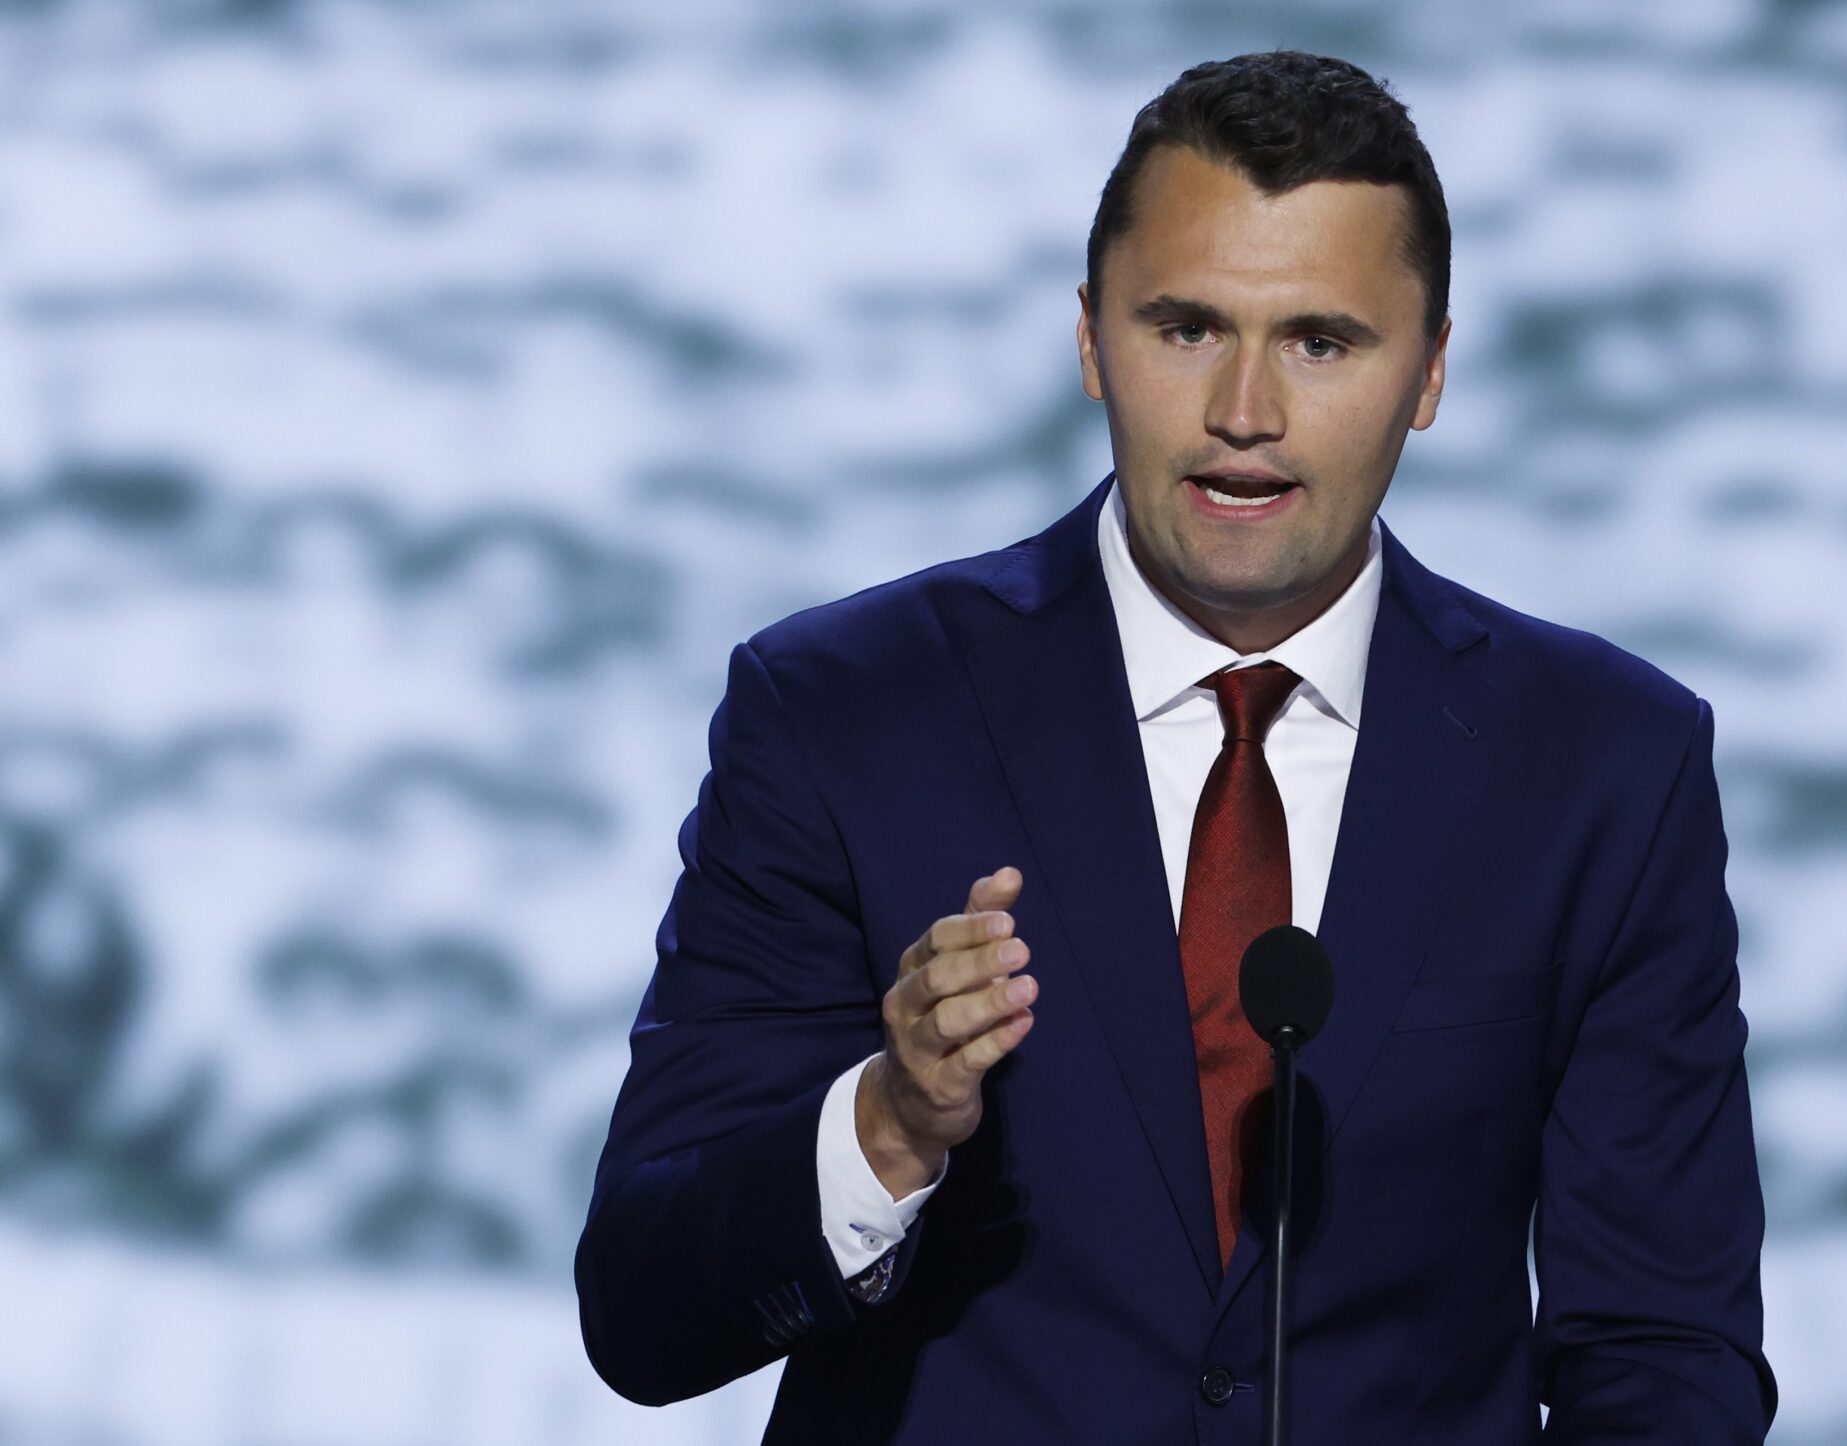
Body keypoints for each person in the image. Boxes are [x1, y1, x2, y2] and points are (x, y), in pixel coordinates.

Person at [575, 49, 1777, 1445]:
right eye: (1188, 328)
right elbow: (642, 1314)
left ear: (1431, 370)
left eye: (1321, 342)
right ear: (1093, 339)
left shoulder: (1605, 767)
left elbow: (1664, 1349)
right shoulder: (842, 713)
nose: (1245, 413)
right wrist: (888, 1125)